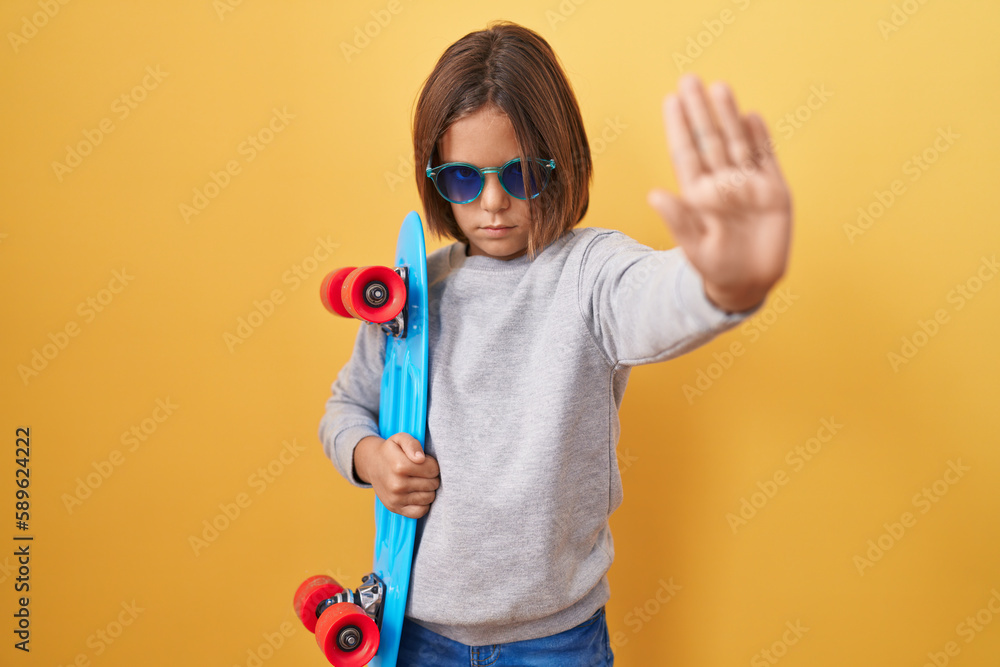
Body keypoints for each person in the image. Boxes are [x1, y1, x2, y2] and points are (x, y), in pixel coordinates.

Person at [319, 20, 792, 666]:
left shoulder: (589, 273)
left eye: (520, 175)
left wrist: (725, 282)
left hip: (555, 641)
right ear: (435, 178)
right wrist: (370, 456)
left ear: (561, 165)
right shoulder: (409, 296)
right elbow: (344, 407)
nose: (492, 203)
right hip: (417, 632)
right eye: (463, 179)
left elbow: (655, 297)